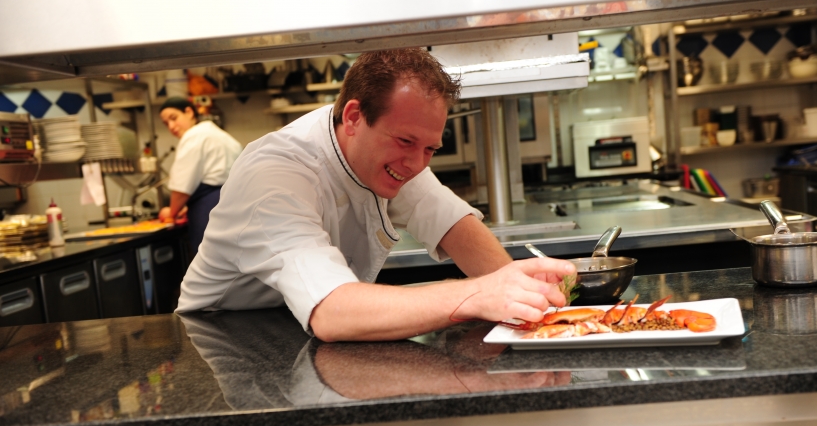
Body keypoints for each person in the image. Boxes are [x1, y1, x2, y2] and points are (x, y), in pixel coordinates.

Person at [176, 48, 575, 342]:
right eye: (406, 142)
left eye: (430, 149)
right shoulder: (275, 177)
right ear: (353, 117)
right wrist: (478, 294)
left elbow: (453, 224)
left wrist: (523, 295)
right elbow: (331, 312)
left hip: (301, 333)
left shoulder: (385, 152)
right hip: (223, 340)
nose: (416, 164)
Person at [158, 96, 242, 254]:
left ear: (189, 112)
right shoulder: (222, 136)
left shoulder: (193, 136)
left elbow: (182, 187)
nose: (171, 126)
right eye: (166, 123)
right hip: (237, 209)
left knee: (212, 260)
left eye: (173, 118)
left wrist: (172, 212)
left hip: (209, 210)